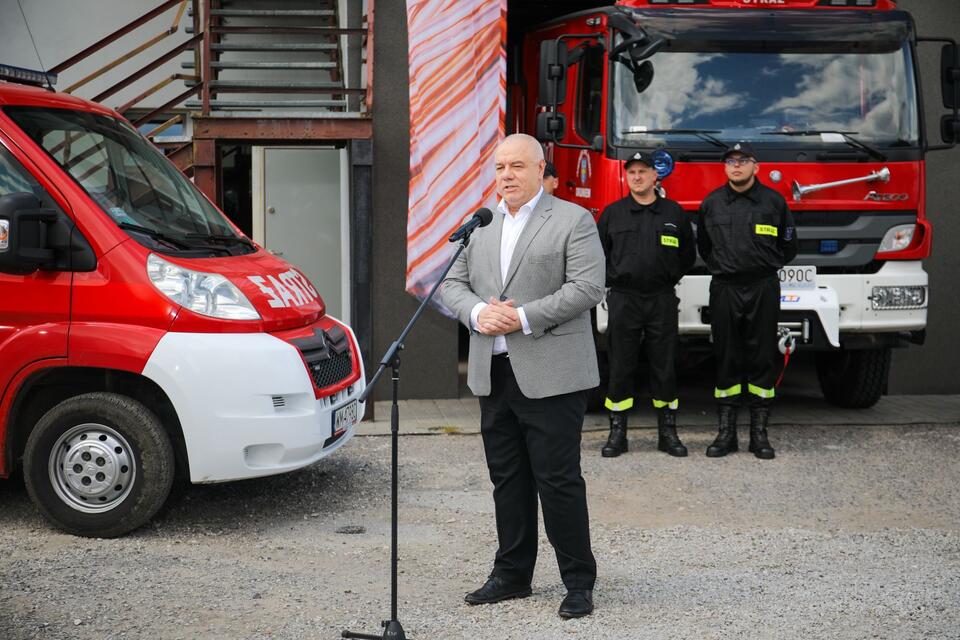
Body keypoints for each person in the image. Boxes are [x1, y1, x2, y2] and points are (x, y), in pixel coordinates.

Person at [441, 133, 605, 619]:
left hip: (552, 372)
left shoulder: (574, 220)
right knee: (507, 479)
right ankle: (512, 575)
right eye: (498, 168)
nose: (506, 175)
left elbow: (588, 286)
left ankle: (578, 581)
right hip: (494, 371)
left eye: (516, 166)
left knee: (557, 480)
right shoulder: (481, 223)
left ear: (540, 170)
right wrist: (476, 314)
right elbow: (453, 282)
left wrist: (522, 317)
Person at [697, 141, 798, 459]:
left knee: (762, 359)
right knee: (726, 358)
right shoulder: (712, 203)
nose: (736, 165)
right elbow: (704, 246)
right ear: (724, 167)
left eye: (743, 160)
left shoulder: (774, 202)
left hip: (762, 288)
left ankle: (759, 435)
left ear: (757, 166)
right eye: (730, 161)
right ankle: (726, 434)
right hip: (725, 288)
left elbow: (789, 247)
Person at [596, 151, 696, 458]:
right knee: (621, 365)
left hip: (661, 298)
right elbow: (599, 255)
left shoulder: (674, 214)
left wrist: (662, 279)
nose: (637, 177)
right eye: (632, 172)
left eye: (643, 171)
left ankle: (667, 433)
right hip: (624, 298)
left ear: (656, 176)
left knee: (664, 365)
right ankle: (618, 433)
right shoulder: (613, 214)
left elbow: (687, 257)